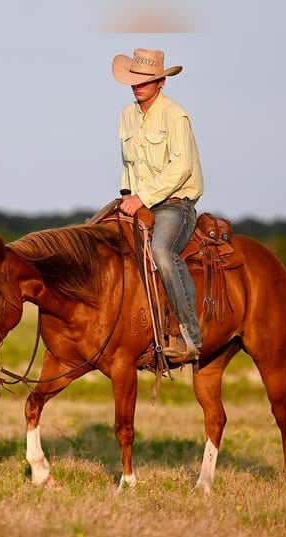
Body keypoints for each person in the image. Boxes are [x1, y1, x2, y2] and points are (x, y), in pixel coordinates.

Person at [112, 48, 204, 363]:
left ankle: (189, 334)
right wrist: (127, 196)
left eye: (146, 80)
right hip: (137, 203)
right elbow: (128, 166)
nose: (138, 85)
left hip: (174, 205)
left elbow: (182, 167)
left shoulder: (176, 115)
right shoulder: (126, 115)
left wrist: (143, 198)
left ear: (161, 81)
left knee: (163, 253)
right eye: (134, 79)